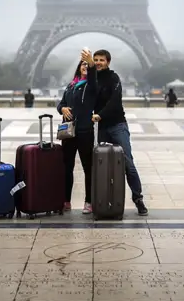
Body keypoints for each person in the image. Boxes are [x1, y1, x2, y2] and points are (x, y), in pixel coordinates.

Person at [91, 49, 148, 216]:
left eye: (102, 59)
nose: (99, 62)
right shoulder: (92, 79)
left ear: (108, 62)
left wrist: (100, 115)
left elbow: (115, 102)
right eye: (96, 60)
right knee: (103, 167)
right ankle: (105, 200)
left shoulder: (114, 78)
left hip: (117, 126)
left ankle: (138, 199)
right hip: (102, 128)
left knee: (127, 163)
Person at [56, 51, 97, 214]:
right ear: (78, 68)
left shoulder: (92, 85)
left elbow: (93, 78)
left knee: (88, 167)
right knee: (67, 167)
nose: (85, 66)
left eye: (88, 65)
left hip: (85, 130)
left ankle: (89, 201)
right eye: (83, 64)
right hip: (69, 131)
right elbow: (61, 103)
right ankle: (66, 201)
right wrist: (62, 108)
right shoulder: (71, 85)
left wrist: (91, 62)